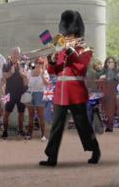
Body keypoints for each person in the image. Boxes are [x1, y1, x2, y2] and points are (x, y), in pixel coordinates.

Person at [41, 10, 101, 166]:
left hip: (76, 92)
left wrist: (69, 50)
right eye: (66, 34)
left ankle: (95, 149)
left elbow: (80, 67)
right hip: (61, 93)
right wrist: (52, 59)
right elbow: (53, 71)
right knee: (56, 126)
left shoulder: (85, 49)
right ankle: (51, 157)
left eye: (70, 35)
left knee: (83, 125)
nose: (67, 37)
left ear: (76, 32)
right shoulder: (61, 49)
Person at [1, 47, 29, 139]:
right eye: (14, 53)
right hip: (9, 93)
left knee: (21, 112)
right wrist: (11, 72)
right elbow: (5, 77)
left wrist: (21, 72)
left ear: (19, 54)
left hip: (21, 93)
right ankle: (5, 131)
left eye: (17, 53)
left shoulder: (23, 64)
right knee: (6, 112)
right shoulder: (6, 65)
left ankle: (20, 130)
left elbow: (26, 77)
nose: (16, 55)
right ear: (11, 54)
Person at [27, 58, 50, 141]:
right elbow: (26, 83)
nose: (38, 64)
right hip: (30, 94)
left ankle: (43, 135)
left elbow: (47, 84)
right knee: (31, 115)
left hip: (40, 94)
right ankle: (29, 134)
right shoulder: (29, 72)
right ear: (34, 63)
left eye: (40, 63)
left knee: (41, 116)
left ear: (42, 64)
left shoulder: (44, 72)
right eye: (37, 62)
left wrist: (42, 75)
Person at [99, 56, 119, 131]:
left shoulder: (117, 70)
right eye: (108, 62)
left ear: (114, 63)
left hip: (114, 92)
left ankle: (110, 126)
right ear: (106, 63)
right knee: (105, 110)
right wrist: (102, 77)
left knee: (113, 110)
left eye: (112, 62)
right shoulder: (103, 70)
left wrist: (110, 72)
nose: (110, 63)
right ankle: (108, 125)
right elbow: (99, 79)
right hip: (105, 92)